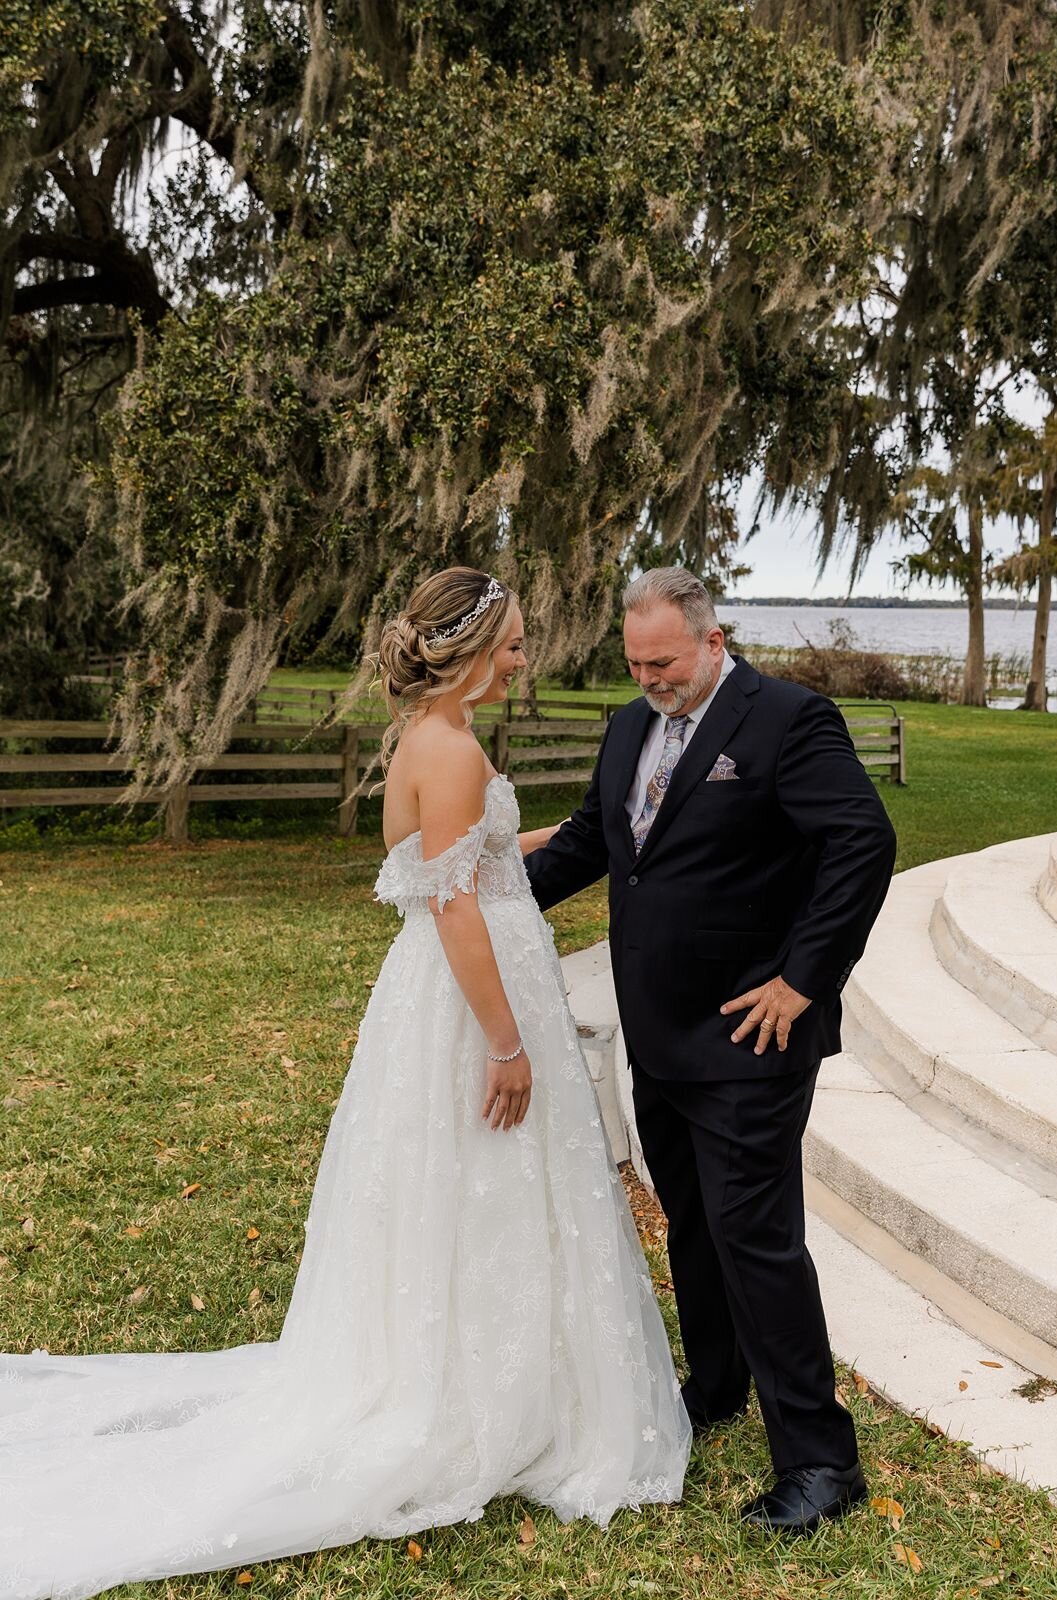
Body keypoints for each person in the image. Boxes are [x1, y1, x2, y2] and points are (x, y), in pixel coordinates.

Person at [0, 568, 689, 1600]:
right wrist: (507, 1041)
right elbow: (457, 908)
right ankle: (468, 1397)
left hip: (450, 987)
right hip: (470, 1000)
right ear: (466, 650)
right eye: (509, 645)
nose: (521, 661)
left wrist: (600, 836)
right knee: (485, 1167)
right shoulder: (450, 748)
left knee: (464, 1182)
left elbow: (478, 859)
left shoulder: (428, 735)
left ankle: (485, 1370)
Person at [524, 568, 897, 1535]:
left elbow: (861, 841)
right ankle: (718, 1385)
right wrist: (486, 910)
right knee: (688, 1220)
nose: (650, 678)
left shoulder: (787, 720)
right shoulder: (625, 727)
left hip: (749, 1033)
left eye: (665, 661)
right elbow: (594, 845)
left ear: (713, 638)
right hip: (656, 1031)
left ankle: (819, 1460)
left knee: (754, 1238)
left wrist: (804, 979)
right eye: (635, 662)